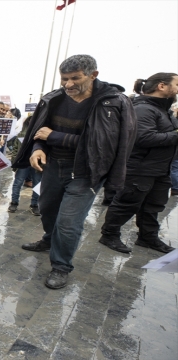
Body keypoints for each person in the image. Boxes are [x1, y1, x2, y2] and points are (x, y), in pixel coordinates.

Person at [14, 54, 136, 289]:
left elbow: (104, 145)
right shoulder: (54, 99)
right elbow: (41, 132)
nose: (69, 84)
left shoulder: (115, 103)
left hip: (86, 172)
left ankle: (61, 266)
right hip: (52, 167)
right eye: (64, 79)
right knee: (47, 210)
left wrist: (56, 136)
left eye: (75, 78)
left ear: (93, 75)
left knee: (69, 222)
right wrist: (38, 148)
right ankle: (50, 240)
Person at [99, 73, 178, 254]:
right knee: (127, 203)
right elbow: (143, 137)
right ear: (161, 86)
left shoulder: (162, 109)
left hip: (159, 168)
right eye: (176, 84)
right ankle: (109, 234)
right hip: (141, 168)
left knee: (153, 206)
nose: (177, 89)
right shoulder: (144, 109)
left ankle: (148, 237)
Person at [8, 116, 42, 215]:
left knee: (37, 184)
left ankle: (34, 204)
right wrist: (15, 163)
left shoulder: (42, 134)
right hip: (23, 163)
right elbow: (15, 150)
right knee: (17, 183)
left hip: (37, 164)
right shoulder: (21, 134)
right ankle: (14, 202)